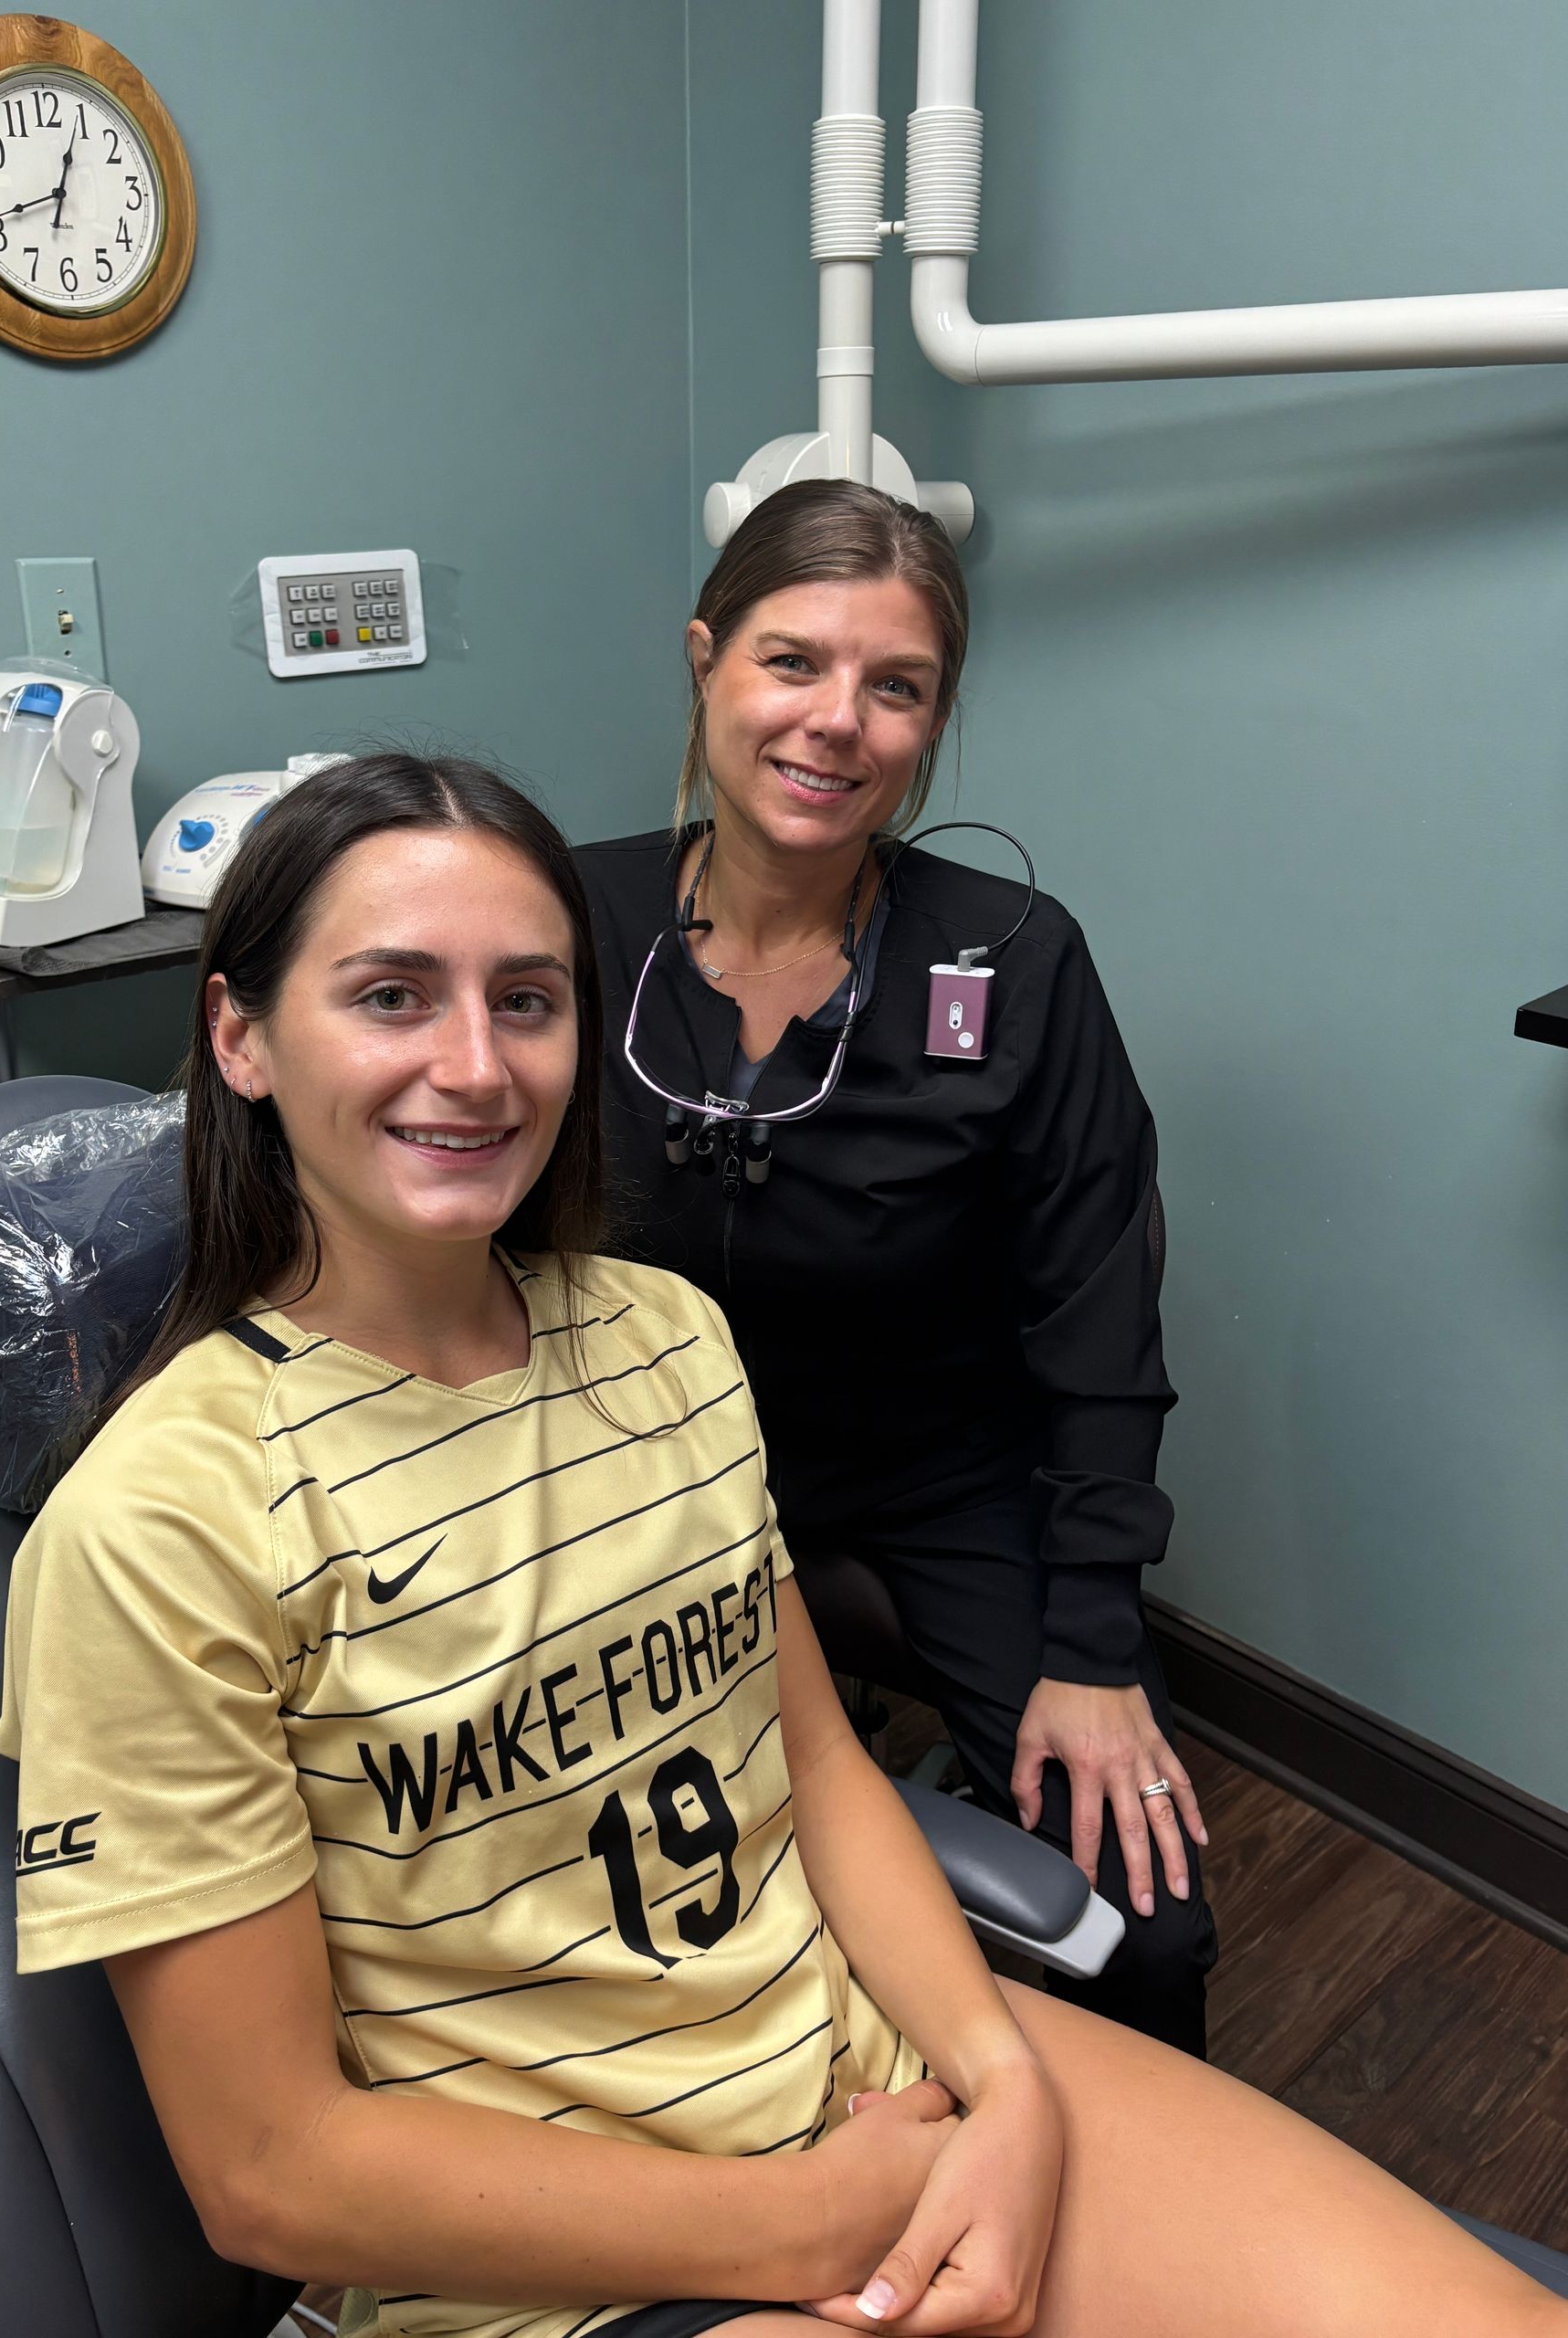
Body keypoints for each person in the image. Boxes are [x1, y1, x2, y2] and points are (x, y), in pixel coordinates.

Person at [0, 752, 1563, 2338]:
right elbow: (269, 2168)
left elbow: (814, 1764)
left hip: (875, 2079)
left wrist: (1003, 2078)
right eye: (392, 996)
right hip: (562, 2267)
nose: (474, 1065)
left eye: (528, 1001)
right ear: (240, 1035)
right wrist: (799, 2222)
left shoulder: (664, 1335)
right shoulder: (159, 1525)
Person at [576, 479, 1214, 2057]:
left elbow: (1094, 1309)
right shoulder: (567, 922)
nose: (835, 723)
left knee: (1146, 1930)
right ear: (705, 662)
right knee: (618, 1898)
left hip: (940, 1476)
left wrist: (1092, 1649)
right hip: (628, 1475)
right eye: (791, 663)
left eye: (897, 686)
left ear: (934, 723)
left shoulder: (1017, 962)